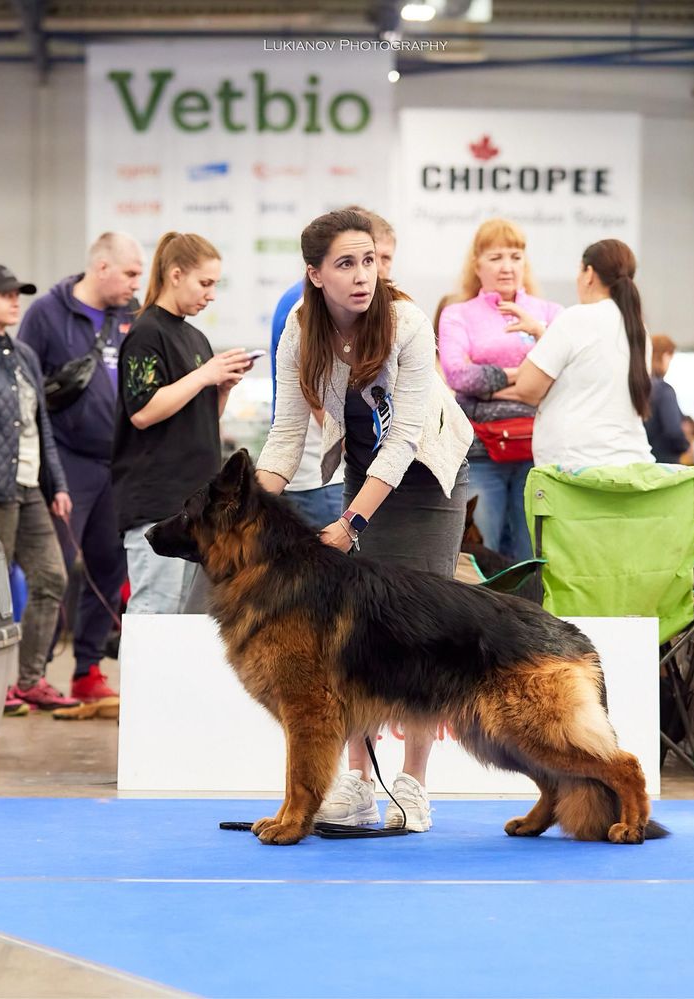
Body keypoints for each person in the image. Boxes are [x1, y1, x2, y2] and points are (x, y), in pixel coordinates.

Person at [256, 208, 473, 831]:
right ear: (315, 274)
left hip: (428, 474)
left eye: (370, 261)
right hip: (363, 472)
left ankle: (414, 785)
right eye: (346, 264)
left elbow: (405, 436)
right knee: (355, 634)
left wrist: (349, 522)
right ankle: (356, 783)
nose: (362, 275)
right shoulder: (299, 330)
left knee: (420, 631)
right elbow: (286, 434)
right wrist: (251, 504)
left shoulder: (405, 319)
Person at [17, 232, 143, 702]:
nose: (137, 282)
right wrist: (45, 473)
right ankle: (32, 673)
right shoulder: (45, 315)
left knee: (109, 568)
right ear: (102, 267)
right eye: (130, 273)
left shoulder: (130, 316)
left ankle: (87, 668)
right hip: (66, 462)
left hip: (118, 464)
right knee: (52, 570)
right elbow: (27, 391)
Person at [112, 232, 253, 614]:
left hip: (195, 508)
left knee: (189, 622)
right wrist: (205, 375)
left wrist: (220, 388)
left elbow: (200, 419)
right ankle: (142, 677)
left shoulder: (195, 336)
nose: (210, 294)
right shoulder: (145, 333)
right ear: (176, 275)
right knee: (155, 613)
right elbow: (142, 412)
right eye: (204, 283)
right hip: (158, 505)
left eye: (214, 285)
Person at [438, 219, 563, 561]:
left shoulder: (551, 315)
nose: (507, 266)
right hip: (481, 455)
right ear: (476, 264)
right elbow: (458, 376)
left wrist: (540, 333)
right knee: (480, 554)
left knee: (534, 557)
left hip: (539, 455)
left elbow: (566, 374)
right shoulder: (457, 314)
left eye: (515, 255)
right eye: (495, 257)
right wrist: (526, 378)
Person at [270, 208, 397, 529]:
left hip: (373, 471)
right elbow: (309, 393)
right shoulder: (300, 311)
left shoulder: (398, 317)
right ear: (317, 273)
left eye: (377, 260)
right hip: (325, 471)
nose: (371, 272)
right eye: (348, 262)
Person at [0, 264, 79, 712]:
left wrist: (57, 485)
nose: (14, 300)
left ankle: (27, 680)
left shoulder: (23, 354)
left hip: (28, 487)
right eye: (4, 294)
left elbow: (42, 426)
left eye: (17, 294)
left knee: (51, 578)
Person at [494, 238, 654, 469]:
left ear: (589, 273)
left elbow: (527, 388)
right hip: (631, 464)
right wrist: (543, 333)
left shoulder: (576, 318)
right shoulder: (639, 332)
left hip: (577, 467)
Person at [644, 334, 691, 463]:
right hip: (665, 463)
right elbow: (673, 431)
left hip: (644, 460)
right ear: (664, 355)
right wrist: (686, 446)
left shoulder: (640, 387)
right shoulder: (664, 391)